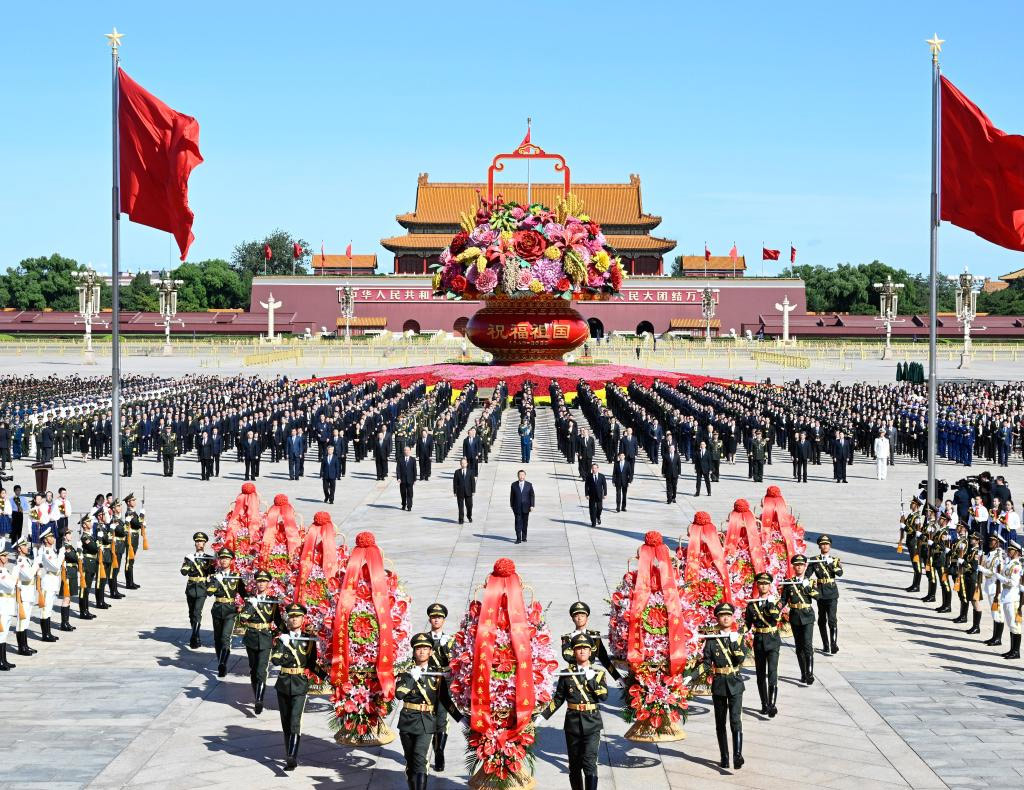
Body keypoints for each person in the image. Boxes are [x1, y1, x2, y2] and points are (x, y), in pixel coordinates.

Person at [542, 632, 609, 790]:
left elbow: (604, 697)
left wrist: (591, 679)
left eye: (585, 648)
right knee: (574, 765)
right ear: (573, 651)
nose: (582, 651)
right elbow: (558, 699)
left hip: (592, 723)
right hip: (572, 723)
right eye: (579, 648)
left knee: (589, 762)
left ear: (590, 651)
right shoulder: (566, 674)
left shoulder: (598, 674)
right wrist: (543, 717)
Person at [396, 632, 462, 790]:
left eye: (426, 648)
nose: (422, 651)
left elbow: (445, 700)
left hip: (426, 722)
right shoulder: (406, 671)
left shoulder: (436, 674)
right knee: (411, 760)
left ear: (431, 652)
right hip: (407, 720)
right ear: (413, 651)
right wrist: (412, 677)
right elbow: (399, 694)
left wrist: (460, 719)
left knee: (420, 759)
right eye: (418, 648)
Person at [270, 603, 326, 771]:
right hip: (284, 683)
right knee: (286, 722)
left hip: (300, 684)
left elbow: (311, 663)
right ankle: (289, 751)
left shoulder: (308, 640)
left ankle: (291, 757)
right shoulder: (282, 638)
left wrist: (327, 677)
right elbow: (276, 660)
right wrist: (284, 645)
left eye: (297, 616)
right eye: (291, 616)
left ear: (303, 619)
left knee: (295, 721)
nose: (294, 619)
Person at [702, 602, 747, 770]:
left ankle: (737, 755)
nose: (726, 618)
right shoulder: (711, 640)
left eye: (728, 615)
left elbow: (740, 660)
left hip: (735, 683)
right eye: (722, 615)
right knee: (720, 723)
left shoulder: (738, 636)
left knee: (736, 720)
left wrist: (734, 643)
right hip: (719, 683)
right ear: (717, 618)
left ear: (732, 617)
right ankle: (724, 757)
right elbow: (706, 662)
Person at [238, 569, 284, 713]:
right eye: (259, 581)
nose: (261, 584)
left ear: (268, 583)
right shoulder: (250, 599)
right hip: (251, 636)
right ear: (255, 583)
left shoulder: (273, 601)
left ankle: (259, 699)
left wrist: (289, 633)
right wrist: (251, 606)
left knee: (261, 670)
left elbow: (278, 621)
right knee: (253, 669)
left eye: (264, 581)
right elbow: (242, 619)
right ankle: (256, 692)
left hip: (265, 637)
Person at [745, 572, 781, 717]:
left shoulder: (775, 601)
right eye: (760, 584)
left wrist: (771, 604)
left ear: (769, 585)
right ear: (757, 585)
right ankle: (764, 704)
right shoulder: (752, 605)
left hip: (772, 639)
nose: (763, 586)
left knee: (772, 671)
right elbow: (747, 624)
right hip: (759, 639)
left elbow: (776, 616)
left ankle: (772, 704)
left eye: (766, 584)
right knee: (760, 674)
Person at [207, 548, 246, 677]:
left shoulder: (236, 577)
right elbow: (209, 592)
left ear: (231, 560)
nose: (224, 560)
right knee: (217, 639)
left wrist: (243, 608)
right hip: (217, 608)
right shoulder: (214, 576)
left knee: (225, 637)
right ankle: (220, 661)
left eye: (227, 558)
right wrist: (215, 582)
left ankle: (223, 663)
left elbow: (244, 594)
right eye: (222, 558)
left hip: (230, 610)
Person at [780, 554, 818, 684]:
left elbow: (818, 597)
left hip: (807, 615)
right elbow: (783, 600)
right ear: (794, 567)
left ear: (805, 566)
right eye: (797, 565)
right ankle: (803, 673)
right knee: (799, 647)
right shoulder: (789, 582)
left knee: (807, 645)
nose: (799, 567)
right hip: (795, 615)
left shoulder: (811, 582)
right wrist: (775, 608)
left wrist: (807, 587)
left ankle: (810, 673)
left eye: (801, 565)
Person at [560, 601, 622, 681]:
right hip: (573, 677)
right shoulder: (567, 638)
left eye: (582, 615)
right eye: (576, 616)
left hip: (590, 676)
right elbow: (567, 656)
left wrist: (618, 679)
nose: (579, 618)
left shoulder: (594, 636)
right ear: (572, 619)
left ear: (587, 618)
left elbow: (604, 659)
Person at [181, 531, 216, 649]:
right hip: (191, 587)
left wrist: (210, 587)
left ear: (205, 543)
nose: (199, 543)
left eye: (201, 541)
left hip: (202, 588)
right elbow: (183, 572)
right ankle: (196, 634)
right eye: (197, 542)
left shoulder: (209, 559)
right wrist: (190, 561)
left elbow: (213, 574)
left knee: (197, 612)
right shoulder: (189, 557)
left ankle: (194, 636)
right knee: (191, 613)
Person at [811, 534, 843, 654]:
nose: (825, 546)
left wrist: (830, 564)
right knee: (821, 619)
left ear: (829, 546)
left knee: (832, 619)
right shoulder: (815, 560)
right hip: (820, 593)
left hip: (832, 592)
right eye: (822, 544)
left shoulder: (834, 560)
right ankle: (826, 645)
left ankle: (833, 644)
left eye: (827, 544)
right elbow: (806, 576)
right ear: (819, 546)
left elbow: (840, 573)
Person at [36, 526, 63, 643]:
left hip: (53, 581)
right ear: (46, 540)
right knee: (45, 609)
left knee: (49, 608)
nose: (53, 538)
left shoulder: (51, 550)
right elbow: (56, 566)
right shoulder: (47, 552)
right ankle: (45, 634)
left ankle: (48, 633)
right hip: (47, 582)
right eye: (51, 537)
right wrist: (62, 554)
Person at [996, 539, 1022, 659]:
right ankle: (1012, 649)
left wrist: (1000, 578)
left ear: (1016, 552)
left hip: (1013, 597)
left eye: (1011, 550)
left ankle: (1016, 651)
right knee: (1011, 624)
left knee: (1015, 625)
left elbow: (1013, 582)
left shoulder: (1016, 565)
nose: (1008, 551)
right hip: (1006, 596)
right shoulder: (1010, 562)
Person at [14, 536, 39, 655]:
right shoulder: (20, 562)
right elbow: (29, 576)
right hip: (23, 594)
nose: (26, 547)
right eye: (24, 546)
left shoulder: (26, 560)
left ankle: (25, 645)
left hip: (29, 592)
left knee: (27, 620)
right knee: (21, 621)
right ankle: (21, 648)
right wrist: (36, 563)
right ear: (19, 549)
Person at [0, 544, 17, 670]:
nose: (6, 557)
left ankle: (3, 659)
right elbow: (11, 585)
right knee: (1, 634)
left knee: (5, 633)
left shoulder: (5, 570)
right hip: (3, 605)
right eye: (4, 556)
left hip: (8, 604)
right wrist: (16, 573)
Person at [509, 469, 535, 544]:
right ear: (518, 476)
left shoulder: (529, 485)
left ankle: (524, 537)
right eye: (520, 475)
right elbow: (512, 496)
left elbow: (532, 495)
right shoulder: (514, 485)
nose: (521, 476)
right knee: (517, 523)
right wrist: (511, 505)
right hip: (516, 507)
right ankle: (518, 538)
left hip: (526, 507)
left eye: (523, 475)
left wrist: (532, 505)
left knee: (525, 523)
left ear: (525, 476)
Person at [453, 456, 475, 524]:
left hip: (468, 491)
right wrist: (455, 491)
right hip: (460, 492)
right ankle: (461, 519)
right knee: (460, 507)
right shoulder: (457, 472)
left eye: (464, 463)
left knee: (469, 506)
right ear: (460, 464)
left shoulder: (470, 472)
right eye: (462, 463)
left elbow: (472, 482)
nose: (463, 464)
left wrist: (473, 491)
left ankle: (469, 516)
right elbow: (455, 482)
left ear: (467, 464)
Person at [584, 462, 606, 528]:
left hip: (599, 495)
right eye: (593, 468)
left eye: (595, 468)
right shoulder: (589, 476)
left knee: (600, 508)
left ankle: (598, 517)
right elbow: (586, 486)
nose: (594, 469)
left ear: (598, 469)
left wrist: (605, 494)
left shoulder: (602, 476)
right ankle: (593, 522)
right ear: (591, 469)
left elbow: (604, 485)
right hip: (591, 495)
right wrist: (586, 494)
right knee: (592, 509)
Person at [397, 445, 418, 511]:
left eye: (408, 450)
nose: (406, 451)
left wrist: (415, 479)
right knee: (403, 493)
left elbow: (415, 470)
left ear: (410, 451)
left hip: (410, 479)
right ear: (404, 451)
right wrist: (399, 477)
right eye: (405, 450)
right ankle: (403, 504)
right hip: (402, 480)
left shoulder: (413, 460)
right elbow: (398, 469)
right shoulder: (400, 459)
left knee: (410, 493)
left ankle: (409, 506)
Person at [662, 439, 681, 504]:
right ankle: (669, 499)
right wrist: (663, 472)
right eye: (670, 448)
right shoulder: (666, 456)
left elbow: (679, 465)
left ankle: (673, 497)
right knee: (668, 487)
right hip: (668, 473)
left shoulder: (677, 456)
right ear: (669, 449)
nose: (671, 449)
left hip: (675, 474)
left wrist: (679, 473)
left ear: (674, 449)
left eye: (673, 448)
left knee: (674, 487)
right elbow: (663, 465)